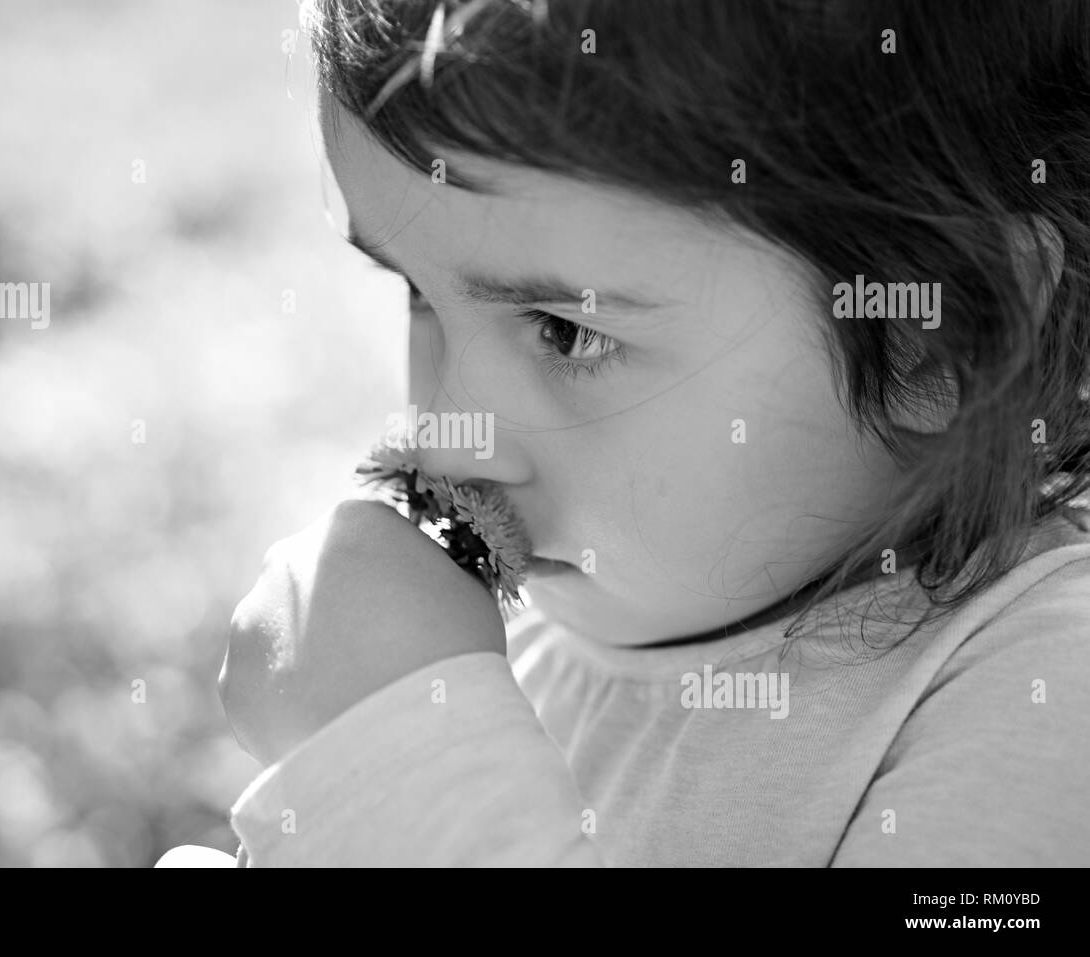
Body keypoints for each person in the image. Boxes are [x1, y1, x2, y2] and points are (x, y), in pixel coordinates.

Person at [207, 0, 1090, 866]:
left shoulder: (1042, 701)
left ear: (935, 338)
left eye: (568, 331)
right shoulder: (519, 650)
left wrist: (404, 765)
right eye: (414, 293)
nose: (444, 438)